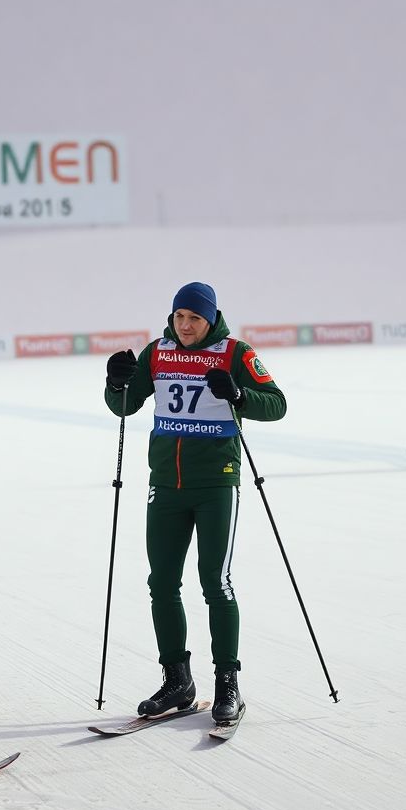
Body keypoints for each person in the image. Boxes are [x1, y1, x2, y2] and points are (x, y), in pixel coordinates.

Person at [103, 282, 287, 726]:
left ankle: (228, 682)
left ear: (211, 318)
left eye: (195, 319)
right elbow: (123, 407)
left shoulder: (235, 353)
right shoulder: (158, 352)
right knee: (161, 583)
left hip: (216, 484)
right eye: (179, 317)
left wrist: (240, 395)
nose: (185, 326)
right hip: (165, 484)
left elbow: (277, 405)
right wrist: (115, 383)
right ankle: (177, 681)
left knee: (214, 581)